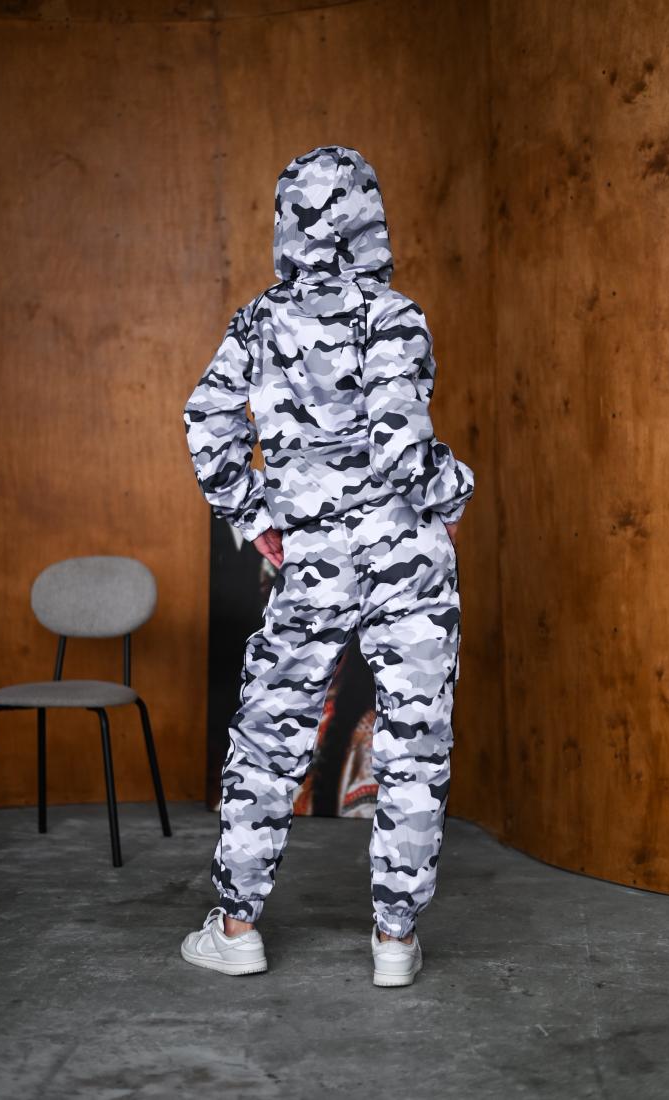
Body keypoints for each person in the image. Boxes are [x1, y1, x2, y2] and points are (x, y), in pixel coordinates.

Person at [180, 145, 474, 987]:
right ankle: (394, 941)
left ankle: (237, 927)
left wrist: (255, 517)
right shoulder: (396, 315)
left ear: (289, 224)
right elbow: (402, 448)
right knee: (413, 745)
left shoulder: (258, 321)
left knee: (272, 734)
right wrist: (454, 490)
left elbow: (206, 423)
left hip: (312, 560)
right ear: (371, 221)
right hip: (405, 555)